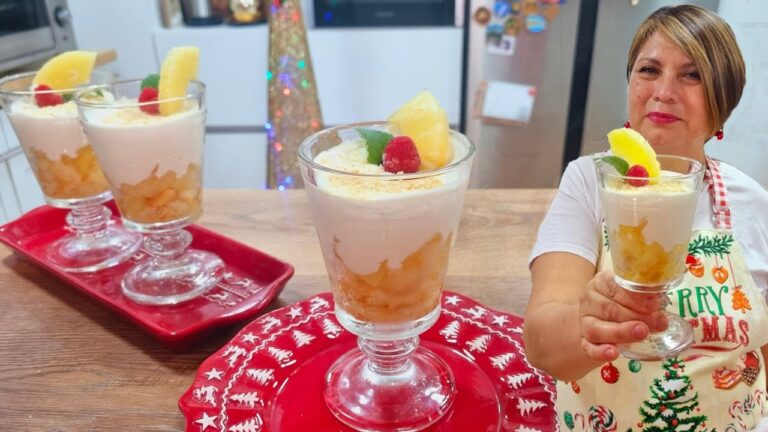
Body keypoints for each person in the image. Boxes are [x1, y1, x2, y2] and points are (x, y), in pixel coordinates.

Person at [523, 5, 768, 430]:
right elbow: (542, 345)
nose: (664, 91)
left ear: (723, 100)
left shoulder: (752, 202)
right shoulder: (590, 181)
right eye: (649, 69)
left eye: (692, 75)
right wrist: (587, 320)